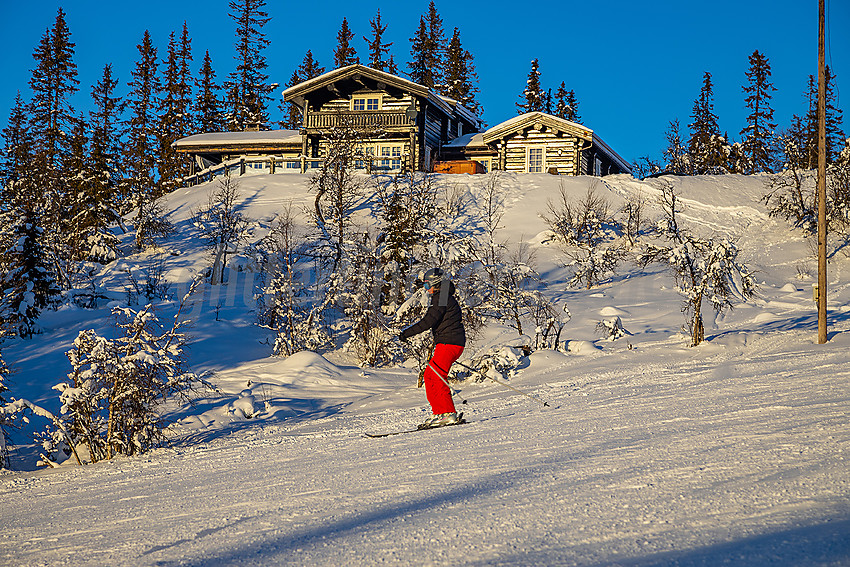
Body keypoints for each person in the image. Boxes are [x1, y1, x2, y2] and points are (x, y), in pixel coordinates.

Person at [400, 267, 466, 429]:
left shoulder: (442, 297)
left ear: (436, 283)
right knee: (430, 375)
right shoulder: (442, 297)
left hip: (449, 343)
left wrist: (406, 333)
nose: (425, 289)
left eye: (427, 285)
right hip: (448, 343)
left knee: (437, 376)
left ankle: (448, 413)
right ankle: (439, 413)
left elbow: (429, 320)